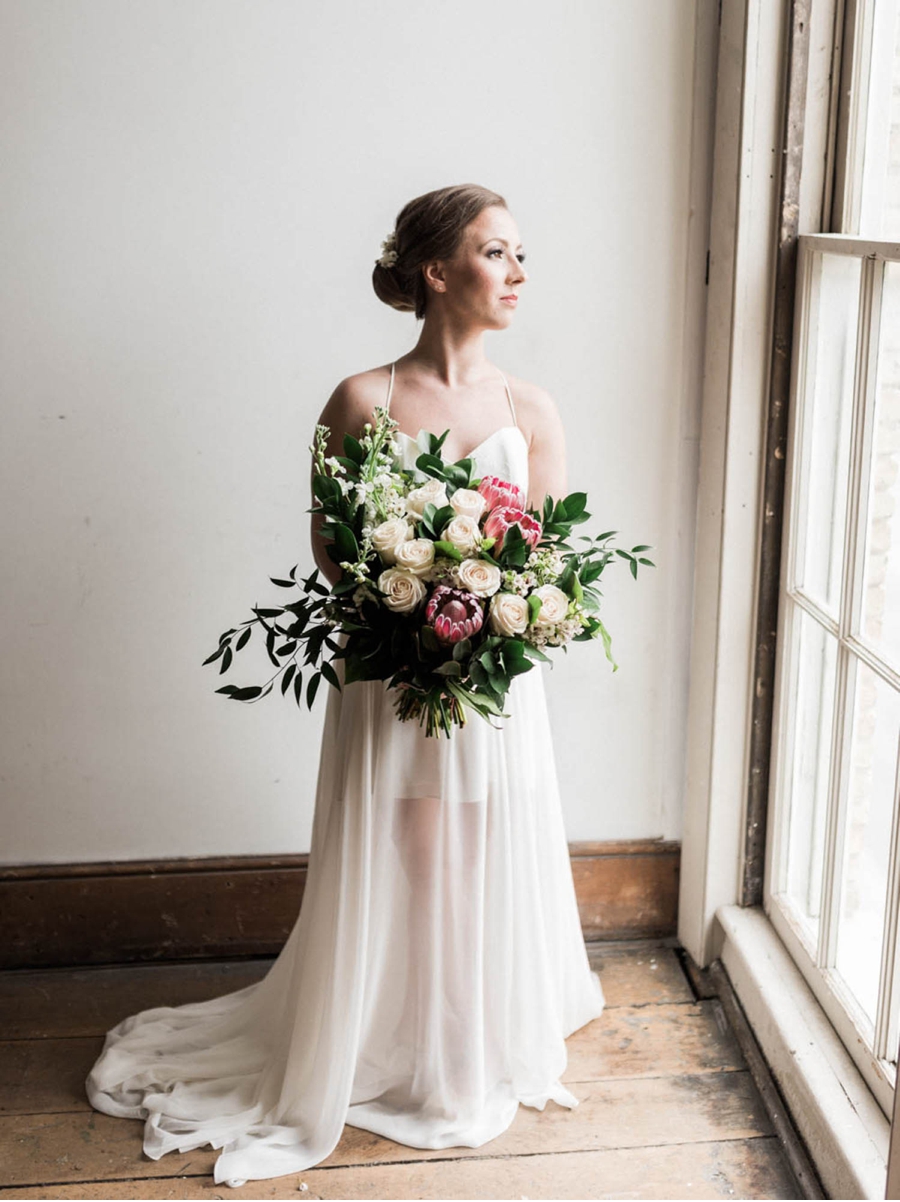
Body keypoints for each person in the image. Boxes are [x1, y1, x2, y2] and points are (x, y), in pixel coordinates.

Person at [84, 183, 605, 1189]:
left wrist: (488, 607)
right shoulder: (361, 399)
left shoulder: (527, 407)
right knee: (411, 844)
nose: (518, 272)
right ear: (437, 269)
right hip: (393, 668)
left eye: (521, 253)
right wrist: (417, 611)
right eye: (497, 252)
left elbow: (547, 552)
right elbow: (333, 548)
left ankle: (467, 1032)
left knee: (479, 840)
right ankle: (400, 1035)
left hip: (490, 675)